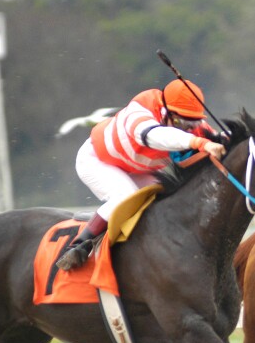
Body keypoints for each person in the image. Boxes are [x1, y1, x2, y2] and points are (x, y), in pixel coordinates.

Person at [56, 79, 227, 271]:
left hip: (137, 170)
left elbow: (218, 139)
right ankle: (79, 245)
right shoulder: (140, 109)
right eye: (182, 122)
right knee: (127, 196)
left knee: (166, 200)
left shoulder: (187, 121)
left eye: (192, 122)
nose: (188, 128)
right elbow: (156, 136)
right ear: (165, 111)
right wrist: (200, 143)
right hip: (98, 161)